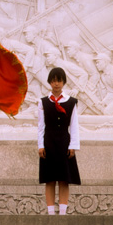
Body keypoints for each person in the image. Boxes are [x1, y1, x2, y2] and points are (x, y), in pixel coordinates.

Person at [38, 67, 80, 215]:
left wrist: (73, 145)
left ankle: (62, 212)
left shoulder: (71, 102)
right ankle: (50, 212)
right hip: (49, 141)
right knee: (50, 179)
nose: (56, 84)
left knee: (64, 179)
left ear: (64, 82)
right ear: (50, 82)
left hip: (64, 141)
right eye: (54, 80)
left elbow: (74, 125)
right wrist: (40, 145)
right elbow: (40, 126)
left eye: (59, 80)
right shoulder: (43, 102)